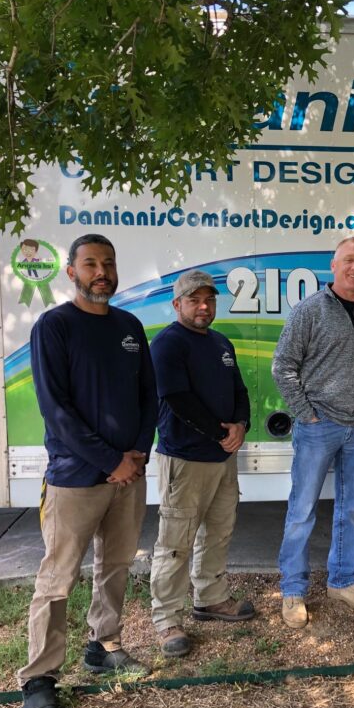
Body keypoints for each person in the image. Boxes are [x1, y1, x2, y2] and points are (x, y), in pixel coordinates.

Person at [18, 233, 157, 708]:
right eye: (91, 264)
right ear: (71, 273)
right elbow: (56, 409)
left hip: (130, 473)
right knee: (58, 579)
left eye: (109, 263)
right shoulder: (53, 327)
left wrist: (137, 453)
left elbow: (149, 395)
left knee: (116, 565)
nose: (102, 272)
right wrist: (108, 460)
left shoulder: (129, 326)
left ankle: (104, 644)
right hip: (76, 477)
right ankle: (38, 680)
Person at [272, 236, 354, 628]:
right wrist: (306, 414)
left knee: (353, 509)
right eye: (347, 260)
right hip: (318, 426)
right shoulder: (309, 311)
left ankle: (342, 581)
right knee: (301, 511)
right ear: (333, 264)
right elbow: (283, 366)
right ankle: (293, 591)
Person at [149, 269, 255, 660]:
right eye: (194, 300)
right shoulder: (167, 344)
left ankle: (210, 598)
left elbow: (240, 392)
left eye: (209, 299)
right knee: (175, 542)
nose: (204, 306)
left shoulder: (221, 343)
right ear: (177, 304)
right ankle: (166, 619)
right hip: (185, 458)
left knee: (219, 532)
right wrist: (219, 432)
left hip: (222, 458)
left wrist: (241, 425)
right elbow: (177, 398)